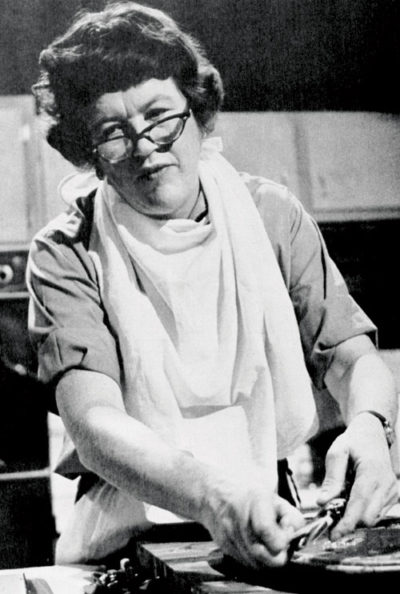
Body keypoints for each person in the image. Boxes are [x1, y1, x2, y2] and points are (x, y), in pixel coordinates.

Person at [27, 1, 398, 570]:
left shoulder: (270, 214)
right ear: (92, 157)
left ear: (198, 115)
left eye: (160, 117)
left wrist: (371, 425)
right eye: (114, 134)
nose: (146, 146)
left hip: (263, 515)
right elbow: (93, 422)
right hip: (124, 532)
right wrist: (212, 496)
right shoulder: (67, 249)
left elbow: (351, 357)